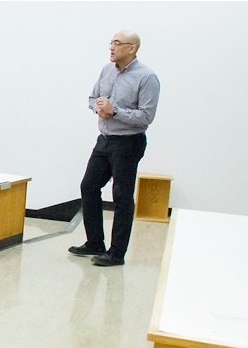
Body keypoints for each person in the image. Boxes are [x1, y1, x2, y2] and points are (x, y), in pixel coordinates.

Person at [69, 31, 161, 267]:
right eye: (111, 42)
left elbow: (146, 117)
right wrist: (97, 108)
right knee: (88, 186)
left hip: (129, 143)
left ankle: (117, 253)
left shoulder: (147, 77)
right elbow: (92, 97)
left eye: (117, 43)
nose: (111, 47)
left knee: (121, 196)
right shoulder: (107, 70)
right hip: (105, 139)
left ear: (132, 48)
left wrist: (115, 111)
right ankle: (94, 243)